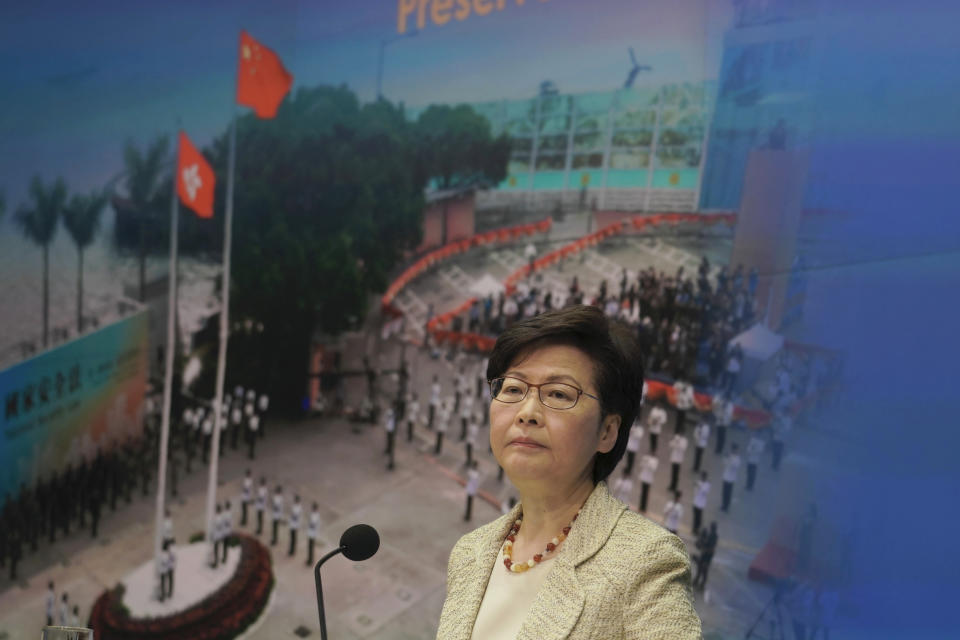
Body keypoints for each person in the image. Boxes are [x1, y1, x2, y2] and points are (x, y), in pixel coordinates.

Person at [436, 305, 701, 639]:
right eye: (514, 389)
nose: (527, 413)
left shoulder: (644, 564)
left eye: (559, 394)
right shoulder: (469, 553)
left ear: (607, 432)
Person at [693, 522, 717, 590]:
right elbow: (699, 545)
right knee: (700, 569)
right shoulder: (710, 535)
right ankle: (697, 580)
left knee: (704, 570)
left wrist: (703, 543)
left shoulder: (713, 537)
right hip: (704, 555)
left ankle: (702, 584)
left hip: (707, 556)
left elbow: (708, 547)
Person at [721, 443, 742, 512]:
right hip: (726, 476)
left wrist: (729, 459)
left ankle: (726, 507)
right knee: (724, 492)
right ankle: (723, 505)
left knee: (728, 493)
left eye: (735, 449)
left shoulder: (737, 459)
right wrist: (725, 457)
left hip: (731, 479)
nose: (733, 451)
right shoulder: (730, 456)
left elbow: (734, 467)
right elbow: (724, 463)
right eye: (733, 449)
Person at [306, 502, 321, 567]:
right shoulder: (311, 514)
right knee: (309, 547)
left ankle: (311, 560)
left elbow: (317, 525)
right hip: (310, 532)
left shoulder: (317, 515)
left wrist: (315, 531)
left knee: (311, 547)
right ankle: (309, 559)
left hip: (313, 533)